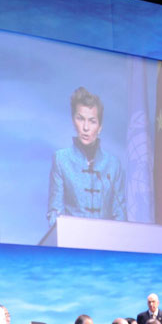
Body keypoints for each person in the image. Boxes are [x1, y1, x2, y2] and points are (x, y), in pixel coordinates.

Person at [47, 86, 126, 226]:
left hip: (106, 243)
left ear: (100, 127)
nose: (85, 127)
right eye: (80, 119)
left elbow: (120, 217)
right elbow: (55, 214)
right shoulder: (61, 160)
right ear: (73, 121)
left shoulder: (113, 165)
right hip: (72, 243)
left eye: (92, 121)